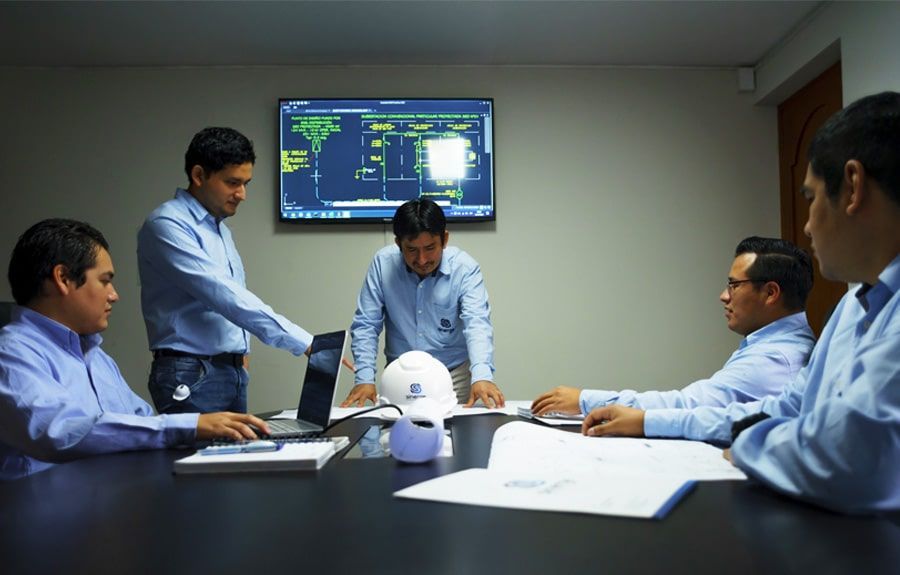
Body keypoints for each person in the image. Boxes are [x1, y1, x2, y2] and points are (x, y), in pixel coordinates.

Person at [583, 91, 900, 514]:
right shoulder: (851, 307)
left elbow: (851, 460)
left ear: (853, 187)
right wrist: (649, 421)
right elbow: (788, 409)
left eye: (811, 198)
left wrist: (751, 443)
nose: (806, 226)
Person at [0, 219, 269, 480]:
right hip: (42, 516)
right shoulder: (11, 353)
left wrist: (217, 440)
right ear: (63, 279)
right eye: (105, 281)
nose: (114, 294)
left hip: (109, 504)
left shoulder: (95, 355)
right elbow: (58, 431)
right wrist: (190, 426)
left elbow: (139, 421)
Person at [138, 127, 318, 414]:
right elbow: (222, 294)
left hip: (226, 371)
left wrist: (239, 354)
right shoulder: (167, 225)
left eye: (246, 183)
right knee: (200, 460)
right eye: (233, 183)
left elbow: (230, 302)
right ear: (199, 176)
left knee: (234, 459)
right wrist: (303, 342)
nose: (242, 194)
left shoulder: (219, 229)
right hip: (191, 373)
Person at [532, 237, 815, 416]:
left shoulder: (775, 359)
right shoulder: (774, 344)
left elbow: (689, 406)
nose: (724, 295)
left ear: (770, 293)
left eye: (734, 285)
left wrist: (586, 400)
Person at [341, 198, 504, 408]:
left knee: (456, 437)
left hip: (453, 376)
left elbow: (477, 323)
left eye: (430, 248)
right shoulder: (383, 264)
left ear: (444, 240)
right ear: (398, 243)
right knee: (397, 437)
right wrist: (364, 379)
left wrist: (482, 375)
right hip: (400, 377)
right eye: (411, 250)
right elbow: (366, 325)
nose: (422, 259)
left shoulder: (465, 269)